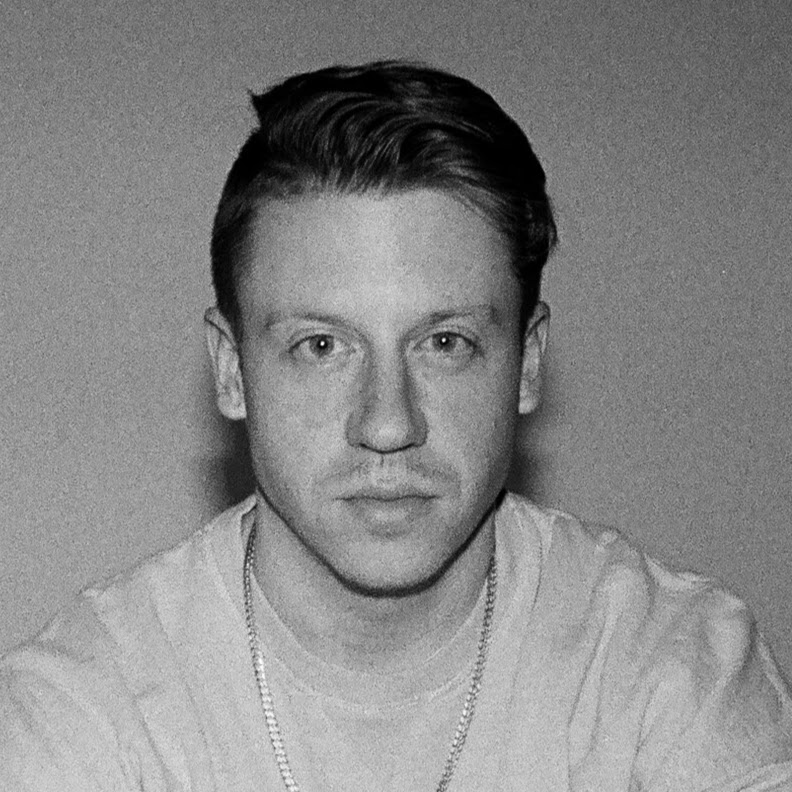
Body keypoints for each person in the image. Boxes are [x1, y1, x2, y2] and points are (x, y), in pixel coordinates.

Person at [1, 60, 791, 792]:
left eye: (445, 344)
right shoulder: (83, 713)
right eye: (321, 347)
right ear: (231, 371)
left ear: (527, 363)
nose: (387, 424)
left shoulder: (673, 671)